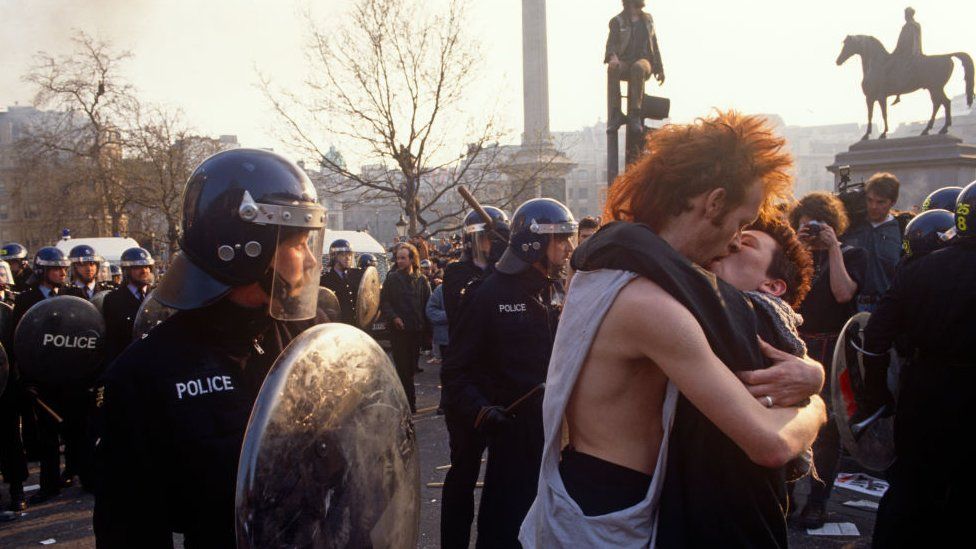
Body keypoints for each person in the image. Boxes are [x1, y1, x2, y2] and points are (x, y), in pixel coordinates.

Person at [520, 112, 826, 548]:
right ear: (713, 203)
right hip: (610, 508)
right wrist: (817, 404)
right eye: (740, 222)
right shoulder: (651, 306)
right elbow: (768, 445)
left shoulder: (611, 268)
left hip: (592, 489)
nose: (737, 240)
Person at [93, 148, 328, 548]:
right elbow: (130, 530)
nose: (308, 260)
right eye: (298, 243)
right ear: (246, 246)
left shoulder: (309, 339)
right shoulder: (145, 375)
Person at [444, 198, 576, 549]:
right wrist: (481, 410)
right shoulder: (487, 294)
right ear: (534, 243)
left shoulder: (554, 289)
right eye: (560, 239)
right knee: (505, 526)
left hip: (548, 431)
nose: (568, 248)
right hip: (508, 429)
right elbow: (456, 371)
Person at [859, 179, 976, 547]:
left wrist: (877, 397)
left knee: (910, 486)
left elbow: (874, 338)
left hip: (924, 390)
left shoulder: (919, 268)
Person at [789, 192, 867, 528]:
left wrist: (833, 247)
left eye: (818, 225)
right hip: (796, 344)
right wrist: (796, 247)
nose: (813, 232)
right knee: (787, 422)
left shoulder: (853, 253)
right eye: (805, 226)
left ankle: (817, 502)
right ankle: (788, 498)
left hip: (833, 349)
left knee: (829, 429)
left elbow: (842, 293)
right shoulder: (794, 257)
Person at [438, 206, 509, 549]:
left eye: (493, 238)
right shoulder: (456, 273)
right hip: (465, 387)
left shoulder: (504, 271)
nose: (488, 244)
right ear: (471, 240)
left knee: (502, 477)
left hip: (499, 384)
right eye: (484, 237)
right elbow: (472, 301)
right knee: (463, 472)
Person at [11, 247, 86, 504]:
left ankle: (78, 473)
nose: (62, 273)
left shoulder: (74, 295)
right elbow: (19, 341)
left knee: (76, 430)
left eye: (65, 268)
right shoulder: (25, 300)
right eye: (56, 268)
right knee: (47, 437)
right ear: (43, 270)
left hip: (72, 374)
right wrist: (26, 379)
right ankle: (49, 484)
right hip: (42, 376)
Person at [379, 242, 430, 413]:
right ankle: (409, 403)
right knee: (403, 368)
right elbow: (384, 301)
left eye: (402, 258)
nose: (399, 261)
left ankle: (406, 399)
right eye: (398, 258)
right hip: (399, 331)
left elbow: (427, 304)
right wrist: (394, 317)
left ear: (411, 259)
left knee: (411, 368)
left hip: (415, 331)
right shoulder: (392, 278)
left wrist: (427, 332)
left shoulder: (422, 280)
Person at [841, 173, 902, 312]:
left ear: (892, 202)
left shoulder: (901, 229)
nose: (873, 206)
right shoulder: (851, 226)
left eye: (880, 202)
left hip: (884, 306)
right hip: (850, 306)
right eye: (870, 200)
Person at [605, 0, 665, 133]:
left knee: (637, 68)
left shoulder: (648, 20)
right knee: (612, 68)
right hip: (625, 61)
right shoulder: (617, 21)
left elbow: (654, 44)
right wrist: (613, 58)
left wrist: (659, 69)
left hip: (644, 61)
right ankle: (616, 113)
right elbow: (611, 44)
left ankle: (635, 114)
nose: (638, 9)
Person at [102, 247, 155, 363]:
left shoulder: (159, 295)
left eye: (146, 267)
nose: (144, 271)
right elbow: (111, 341)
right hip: (127, 361)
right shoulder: (113, 299)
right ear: (126, 270)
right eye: (138, 267)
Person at [319, 239, 363, 325]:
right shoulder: (325, 280)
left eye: (349, 254)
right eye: (343, 255)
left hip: (356, 327)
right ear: (334, 257)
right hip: (337, 327)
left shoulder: (357, 275)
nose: (348, 258)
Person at [890, 7, 923, 104]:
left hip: (908, 53)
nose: (905, 16)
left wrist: (896, 52)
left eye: (906, 14)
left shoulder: (909, 26)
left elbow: (904, 42)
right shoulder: (916, 25)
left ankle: (898, 93)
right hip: (915, 52)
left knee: (895, 68)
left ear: (909, 15)